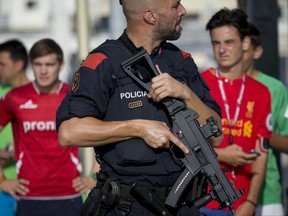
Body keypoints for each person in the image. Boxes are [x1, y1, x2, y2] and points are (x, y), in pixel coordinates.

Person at [56, 0, 223, 215]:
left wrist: (186, 94)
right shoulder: (104, 61)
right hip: (128, 207)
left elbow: (217, 136)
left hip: (182, 206)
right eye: (175, 6)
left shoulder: (181, 61)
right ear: (150, 16)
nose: (183, 11)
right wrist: (138, 128)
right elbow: (69, 132)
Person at [0, 38, 88, 216]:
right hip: (28, 196)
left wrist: (95, 176)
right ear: (31, 65)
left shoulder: (75, 96)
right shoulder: (14, 97)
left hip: (69, 195)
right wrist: (1, 180)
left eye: (49, 64)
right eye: (38, 64)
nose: (43, 71)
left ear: (61, 65)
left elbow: (107, 133)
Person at [200, 8, 271, 216]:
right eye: (216, 43)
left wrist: (251, 202)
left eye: (229, 42)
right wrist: (221, 154)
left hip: (242, 205)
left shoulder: (261, 92)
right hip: (203, 203)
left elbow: (262, 154)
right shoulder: (199, 84)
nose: (222, 49)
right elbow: (183, 146)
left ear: (246, 43)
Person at [244, 22, 288, 216]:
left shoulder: (276, 88)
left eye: (244, 49)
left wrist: (259, 132)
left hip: (267, 196)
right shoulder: (211, 85)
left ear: (257, 51)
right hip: (224, 196)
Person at [0, 39, 30, 216]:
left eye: (2, 64)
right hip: (5, 190)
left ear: (18, 65)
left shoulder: (42, 94)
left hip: (37, 188)